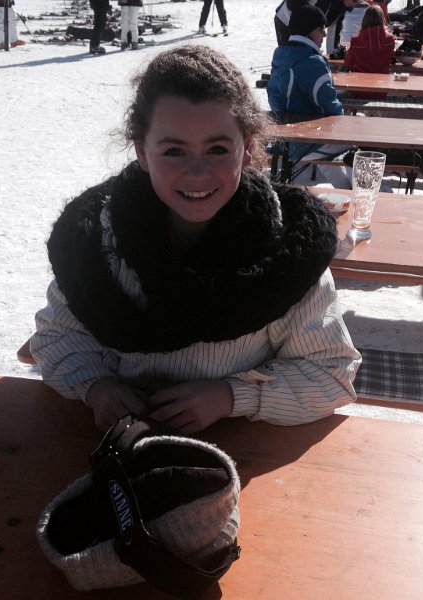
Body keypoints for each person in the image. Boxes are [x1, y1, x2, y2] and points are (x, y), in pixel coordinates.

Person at [31, 45, 361, 435]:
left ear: (247, 148)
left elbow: (331, 373)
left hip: (240, 452)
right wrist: (97, 387)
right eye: (174, 151)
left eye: (217, 149)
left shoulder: (287, 251)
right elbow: (56, 338)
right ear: (142, 152)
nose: (198, 174)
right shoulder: (96, 243)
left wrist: (230, 396)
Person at [266, 3, 353, 187]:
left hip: (283, 140)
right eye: (321, 29)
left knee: (325, 150)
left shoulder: (280, 55)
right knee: (356, 142)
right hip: (306, 141)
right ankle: (354, 191)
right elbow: (331, 107)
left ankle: (345, 188)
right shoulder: (313, 62)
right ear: (310, 30)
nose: (324, 35)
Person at [274, 0, 359, 55]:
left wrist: (333, 53)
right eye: (355, 0)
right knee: (288, 55)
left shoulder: (340, 10)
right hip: (285, 20)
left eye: (358, 1)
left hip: (305, 28)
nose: (355, 4)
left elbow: (333, 35)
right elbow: (292, 4)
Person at [344, 4, 396, 78]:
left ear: (364, 20)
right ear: (382, 19)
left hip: (359, 81)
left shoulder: (356, 41)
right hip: (382, 81)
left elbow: (348, 63)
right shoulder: (390, 40)